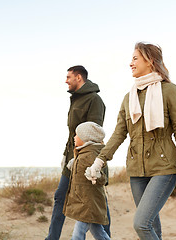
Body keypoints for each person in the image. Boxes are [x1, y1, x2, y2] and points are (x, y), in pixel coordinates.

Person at [85, 42, 176, 240]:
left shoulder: (169, 90)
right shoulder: (129, 98)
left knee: (141, 224)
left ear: (150, 61)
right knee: (152, 227)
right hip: (137, 170)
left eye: (135, 58)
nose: (130, 63)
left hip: (164, 167)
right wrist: (99, 161)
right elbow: (119, 133)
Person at [45, 65, 111, 240]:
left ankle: (107, 236)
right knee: (60, 196)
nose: (65, 80)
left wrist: (86, 159)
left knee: (96, 200)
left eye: (68, 77)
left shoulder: (94, 100)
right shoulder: (75, 99)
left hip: (86, 159)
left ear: (79, 77)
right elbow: (73, 133)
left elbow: (95, 133)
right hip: (71, 157)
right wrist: (66, 155)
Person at [63, 121, 110, 240]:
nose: (74, 137)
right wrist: (75, 164)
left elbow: (102, 179)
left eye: (77, 135)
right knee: (98, 232)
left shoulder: (91, 155)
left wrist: (96, 174)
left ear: (85, 138)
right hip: (84, 201)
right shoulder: (83, 154)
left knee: (78, 234)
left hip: (88, 203)